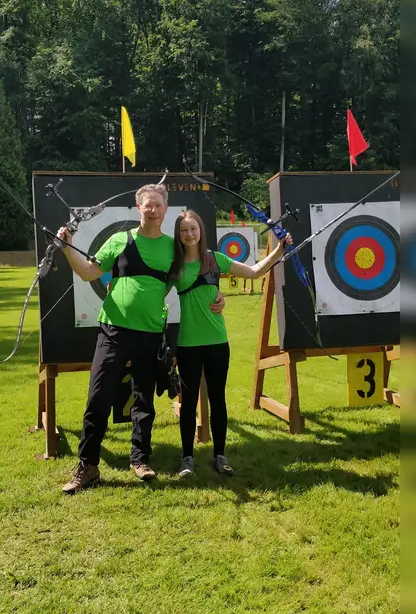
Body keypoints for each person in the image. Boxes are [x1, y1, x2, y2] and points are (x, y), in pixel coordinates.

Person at [54, 182, 222, 494]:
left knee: (143, 400)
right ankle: (87, 466)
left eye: (159, 204)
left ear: (165, 208)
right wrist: (67, 247)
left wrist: (219, 295)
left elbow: (199, 273)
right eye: (148, 204)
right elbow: (89, 272)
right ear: (138, 207)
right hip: (114, 330)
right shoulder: (120, 240)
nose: (153, 209)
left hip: (150, 334)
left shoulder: (173, 248)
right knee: (98, 398)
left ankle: (140, 459)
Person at [167, 211, 290, 477]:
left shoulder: (214, 259)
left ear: (200, 230)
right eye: (183, 230)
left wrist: (280, 249)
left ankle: (220, 456)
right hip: (188, 343)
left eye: (193, 229)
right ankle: (187, 458)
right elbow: (153, 293)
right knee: (188, 402)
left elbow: (255, 272)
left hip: (217, 341)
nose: (189, 234)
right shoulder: (174, 266)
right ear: (178, 235)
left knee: (217, 398)